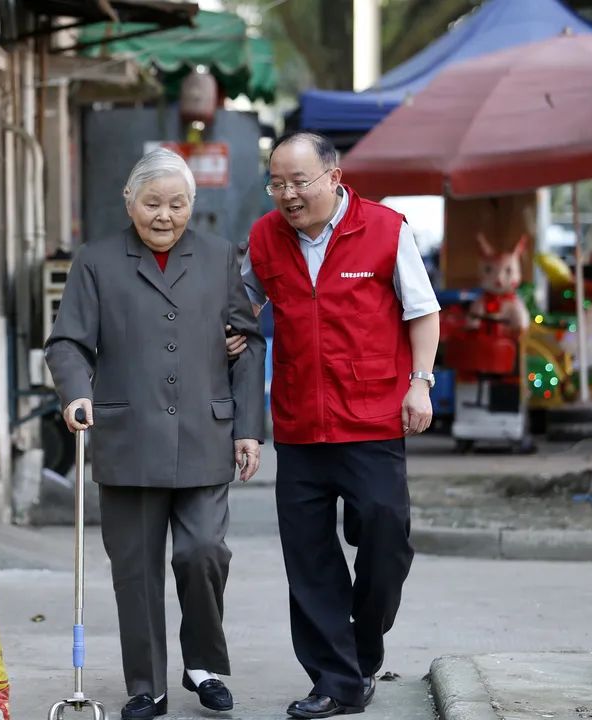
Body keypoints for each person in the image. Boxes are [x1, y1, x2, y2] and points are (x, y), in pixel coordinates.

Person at [45, 148, 266, 720]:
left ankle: (204, 666)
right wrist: (75, 394)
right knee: (136, 572)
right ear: (129, 201)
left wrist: (249, 429)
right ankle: (147, 686)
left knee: (203, 553)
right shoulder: (97, 261)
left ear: (193, 204)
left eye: (177, 203)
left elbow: (248, 343)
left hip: (204, 435)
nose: (164, 215)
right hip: (127, 438)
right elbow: (66, 342)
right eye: (153, 203)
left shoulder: (219, 258)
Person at [241, 132, 441, 718]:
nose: (288, 195)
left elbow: (422, 310)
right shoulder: (264, 237)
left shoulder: (384, 228)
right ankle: (336, 680)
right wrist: (233, 328)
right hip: (300, 422)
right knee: (308, 559)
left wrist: (420, 383)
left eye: (299, 181)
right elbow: (240, 304)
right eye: (276, 183)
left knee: (385, 537)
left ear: (334, 175)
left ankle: (363, 643)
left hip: (373, 416)